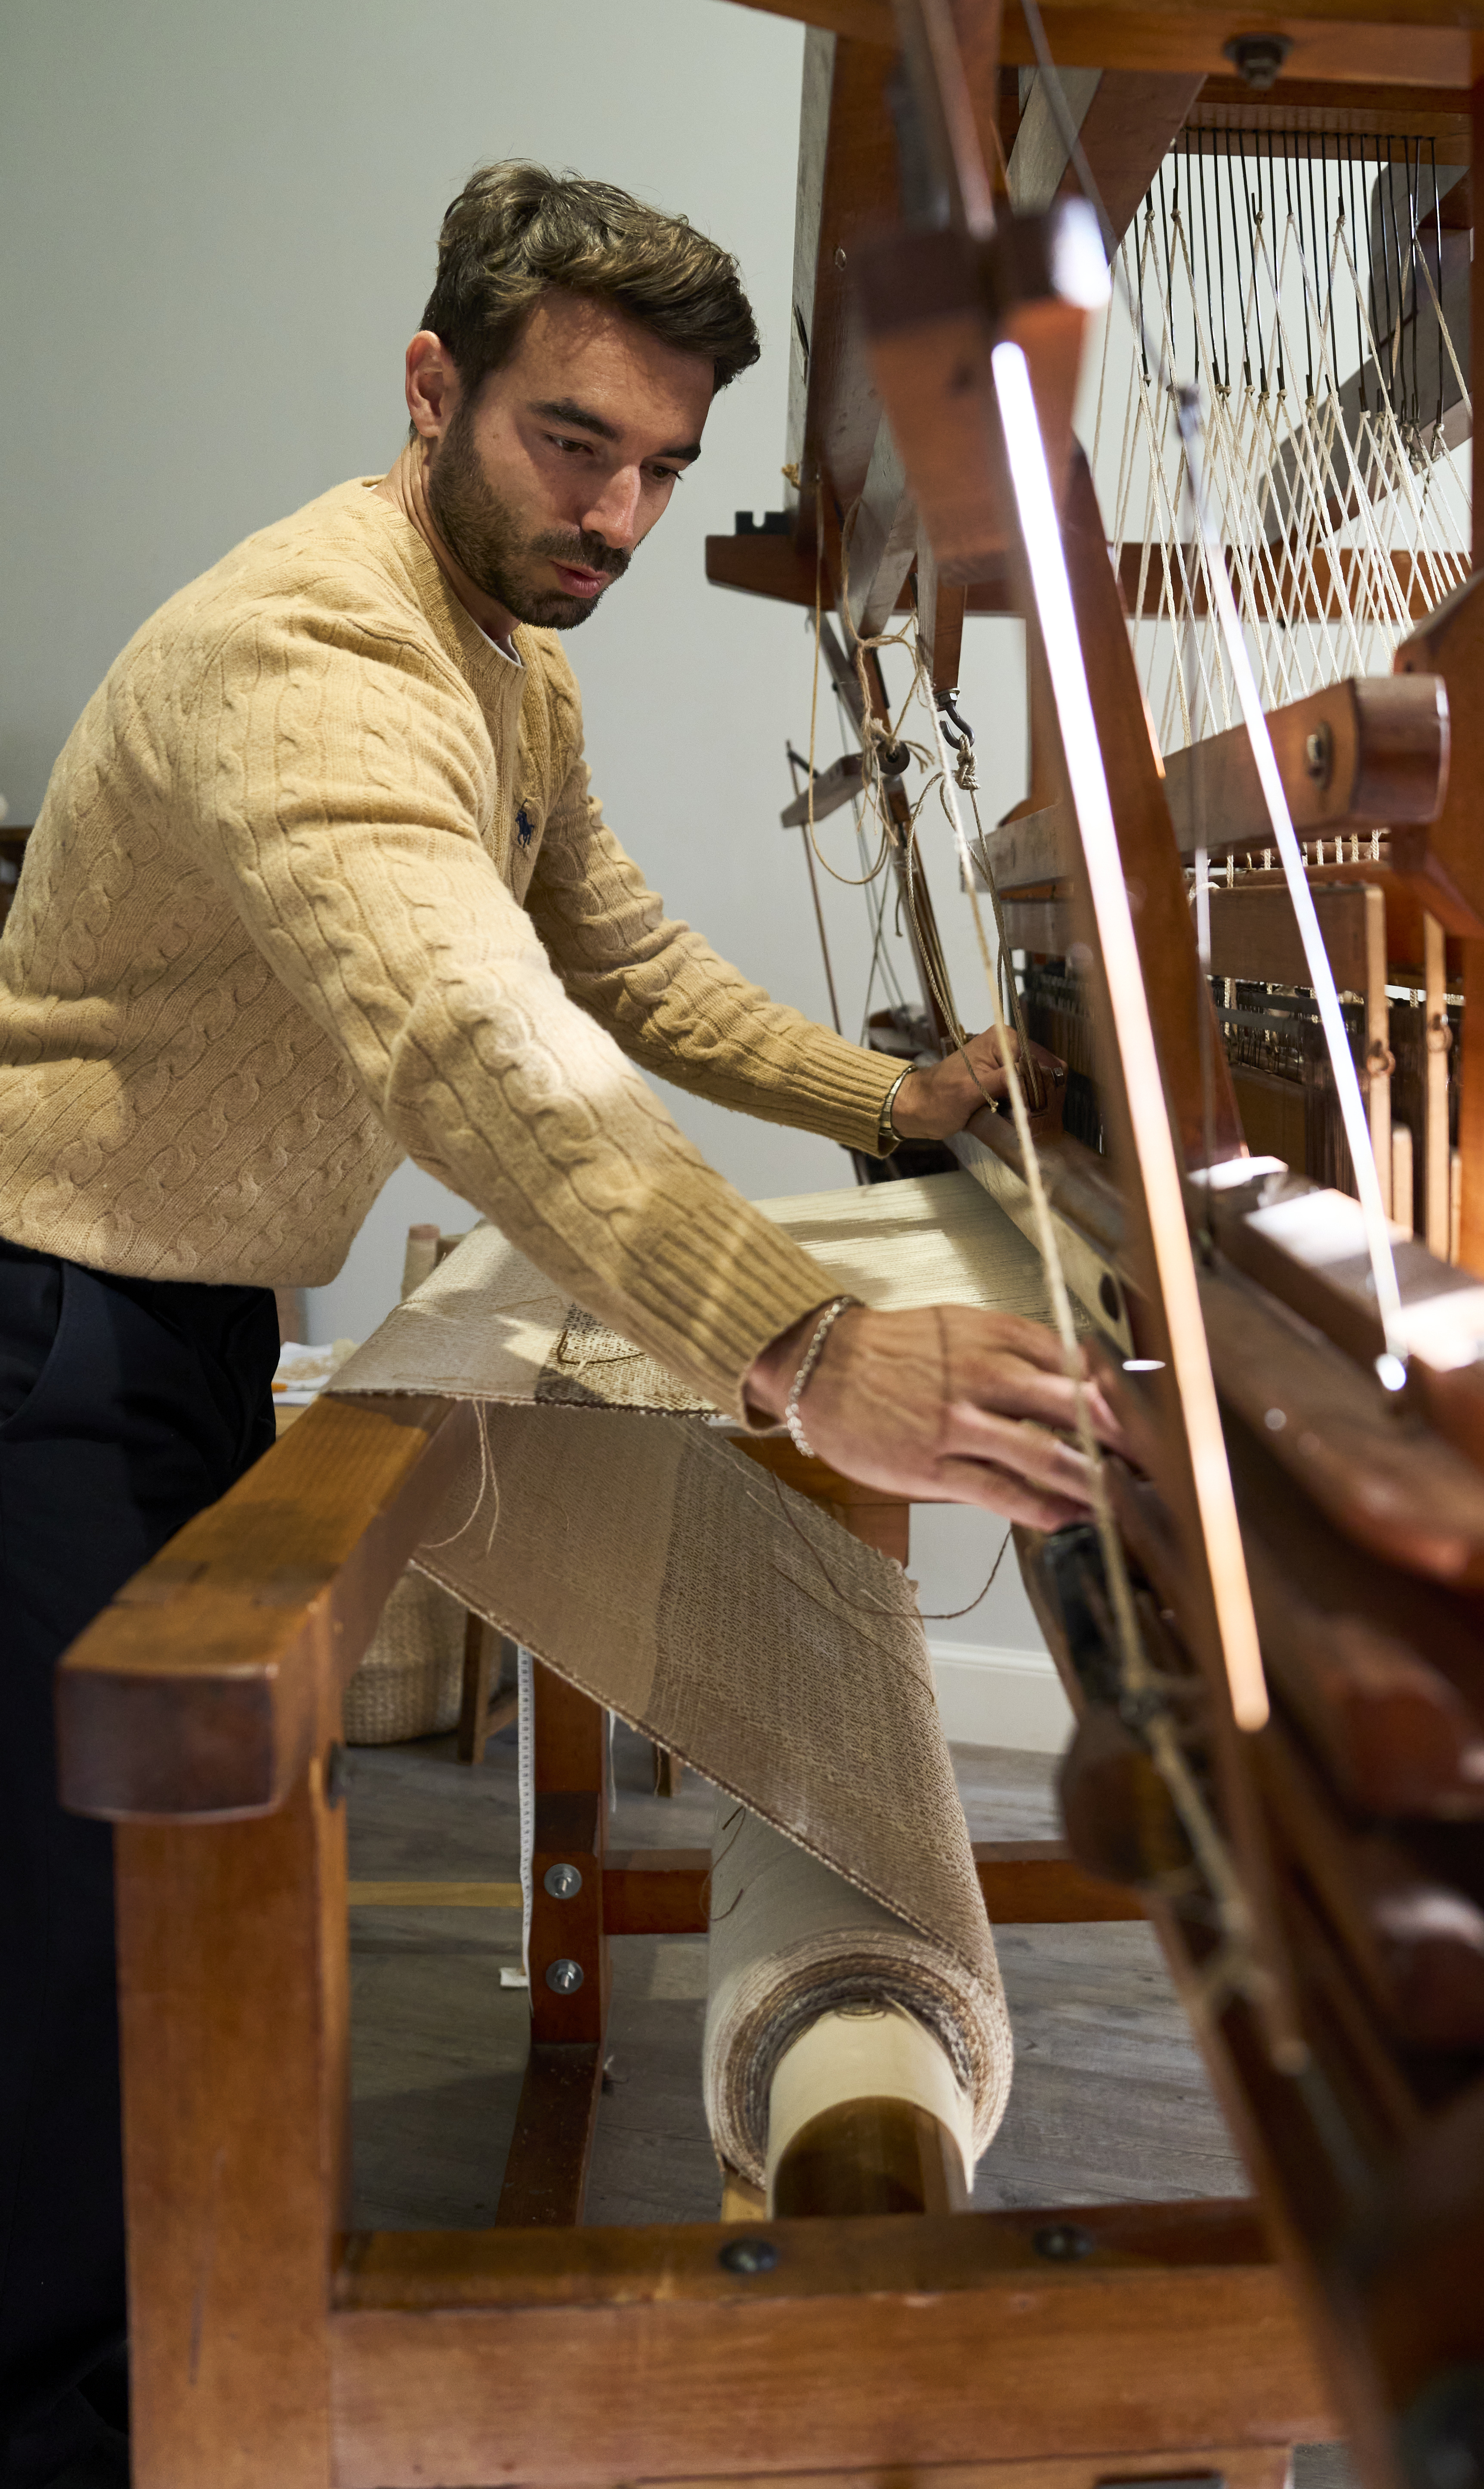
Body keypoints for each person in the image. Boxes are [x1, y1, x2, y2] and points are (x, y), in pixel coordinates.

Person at [0, 161, 1099, 2489]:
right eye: (571, 443)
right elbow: (483, 1051)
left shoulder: (516, 663)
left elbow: (617, 960)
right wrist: (803, 1346)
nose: (618, 510)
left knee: (136, 1933)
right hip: (40, 1315)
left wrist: (892, 1093)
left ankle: (162, 2374)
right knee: (76, 1963)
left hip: (167, 1317)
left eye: (665, 466)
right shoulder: (316, 660)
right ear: (436, 385)